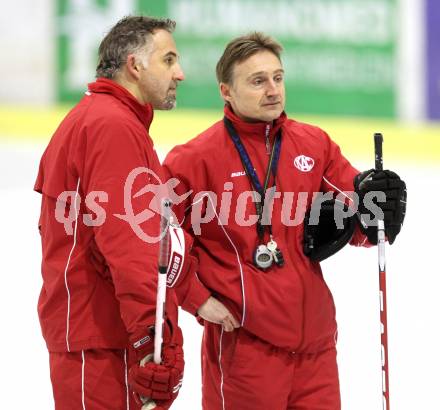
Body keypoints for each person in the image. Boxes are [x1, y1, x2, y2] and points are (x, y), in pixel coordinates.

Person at [163, 32, 406, 409]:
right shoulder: (193, 160)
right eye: (258, 81)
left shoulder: (313, 144)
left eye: (278, 78)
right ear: (225, 90)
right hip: (245, 350)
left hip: (317, 350)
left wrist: (378, 213)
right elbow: (157, 240)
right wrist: (197, 299)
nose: (273, 90)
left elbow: (356, 219)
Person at [34, 16, 195, 410]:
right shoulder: (111, 126)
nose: (180, 73)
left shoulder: (104, 119)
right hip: (105, 340)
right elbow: (128, 244)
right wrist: (152, 339)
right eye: (169, 59)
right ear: (135, 66)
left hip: (99, 336)